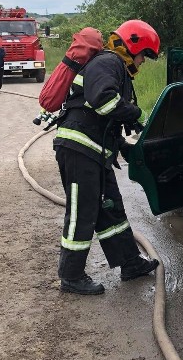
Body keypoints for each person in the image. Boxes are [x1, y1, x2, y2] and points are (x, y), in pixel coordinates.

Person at [53, 19, 160, 295]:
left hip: (95, 152)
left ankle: (129, 262)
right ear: (132, 47)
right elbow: (103, 101)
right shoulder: (107, 63)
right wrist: (136, 114)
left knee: (110, 206)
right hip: (79, 149)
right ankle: (71, 276)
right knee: (82, 211)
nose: (143, 63)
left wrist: (123, 142)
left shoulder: (115, 68)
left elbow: (105, 116)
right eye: (143, 56)